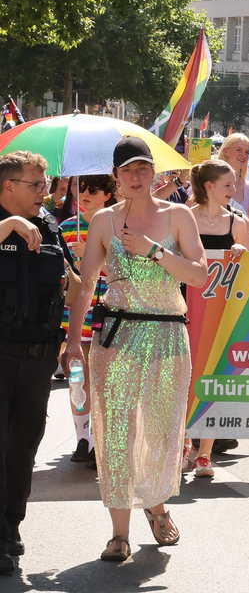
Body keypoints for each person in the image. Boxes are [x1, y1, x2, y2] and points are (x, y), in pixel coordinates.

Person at [62, 137, 207, 561]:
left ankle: (157, 506)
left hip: (167, 337)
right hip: (117, 338)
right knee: (117, 432)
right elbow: (86, 285)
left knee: (160, 430)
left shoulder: (177, 215)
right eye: (127, 170)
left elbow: (198, 275)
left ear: (154, 171)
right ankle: (119, 534)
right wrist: (72, 341)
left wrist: (154, 251)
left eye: (143, 167)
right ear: (116, 177)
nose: (136, 176)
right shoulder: (104, 220)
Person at [0, 151, 80, 573]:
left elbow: (75, 291)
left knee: (23, 449)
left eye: (45, 185)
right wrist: (10, 225)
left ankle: (11, 524)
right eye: (35, 185)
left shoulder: (49, 225)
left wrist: (75, 271)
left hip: (39, 359)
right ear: (8, 186)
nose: (44, 193)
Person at [184, 159, 249, 479]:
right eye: (228, 184)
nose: (234, 190)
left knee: (212, 377)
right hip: (184, 307)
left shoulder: (238, 223)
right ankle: (183, 443)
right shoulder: (184, 217)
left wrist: (242, 251)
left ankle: (204, 454)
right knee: (184, 377)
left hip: (220, 311)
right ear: (209, 187)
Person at [60, 175, 117, 470]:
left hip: (108, 311)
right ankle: (83, 438)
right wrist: (73, 266)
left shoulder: (118, 226)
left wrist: (95, 259)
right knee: (77, 378)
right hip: (74, 313)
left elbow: (124, 272)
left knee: (103, 378)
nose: (84, 194)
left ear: (107, 194)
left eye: (92, 190)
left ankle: (99, 440)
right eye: (79, 188)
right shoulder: (66, 227)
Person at [218, 133, 249, 227]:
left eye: (247, 152)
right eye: (238, 150)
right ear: (225, 151)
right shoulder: (207, 183)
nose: (243, 155)